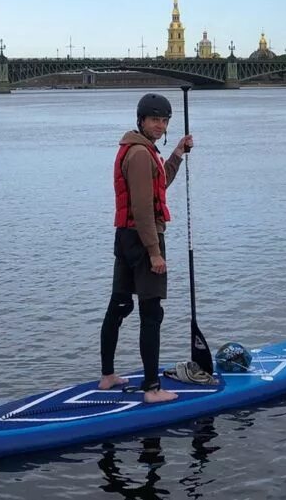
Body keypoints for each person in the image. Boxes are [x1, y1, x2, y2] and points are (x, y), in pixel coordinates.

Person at [99, 92, 194, 402]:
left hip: (125, 238)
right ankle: (152, 389)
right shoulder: (140, 154)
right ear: (141, 119)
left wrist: (177, 153)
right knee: (151, 312)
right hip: (144, 237)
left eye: (165, 121)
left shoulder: (139, 149)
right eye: (155, 119)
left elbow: (158, 184)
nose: (161, 125)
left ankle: (108, 376)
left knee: (120, 305)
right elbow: (142, 207)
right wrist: (154, 252)